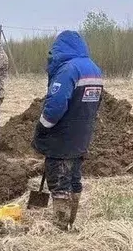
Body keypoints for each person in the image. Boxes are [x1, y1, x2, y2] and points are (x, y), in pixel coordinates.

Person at [33, 31, 103, 230]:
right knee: (74, 179)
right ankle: (70, 221)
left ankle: (60, 225)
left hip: (62, 138)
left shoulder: (68, 70)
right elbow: (97, 103)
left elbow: (56, 105)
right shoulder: (94, 69)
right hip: (82, 136)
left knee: (59, 181)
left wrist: (43, 127)